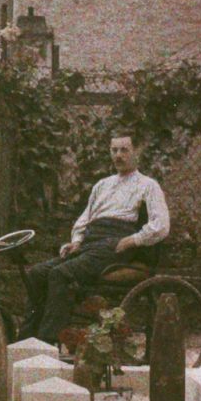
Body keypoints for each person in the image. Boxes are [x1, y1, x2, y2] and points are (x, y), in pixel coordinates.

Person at [23, 131, 170, 346]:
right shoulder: (102, 185)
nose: (118, 155)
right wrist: (76, 241)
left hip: (116, 243)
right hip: (92, 243)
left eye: (124, 150)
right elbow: (84, 220)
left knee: (60, 274)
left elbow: (161, 225)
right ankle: (26, 340)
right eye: (114, 150)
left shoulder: (148, 185)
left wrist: (133, 240)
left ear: (136, 152)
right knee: (36, 273)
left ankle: (48, 342)